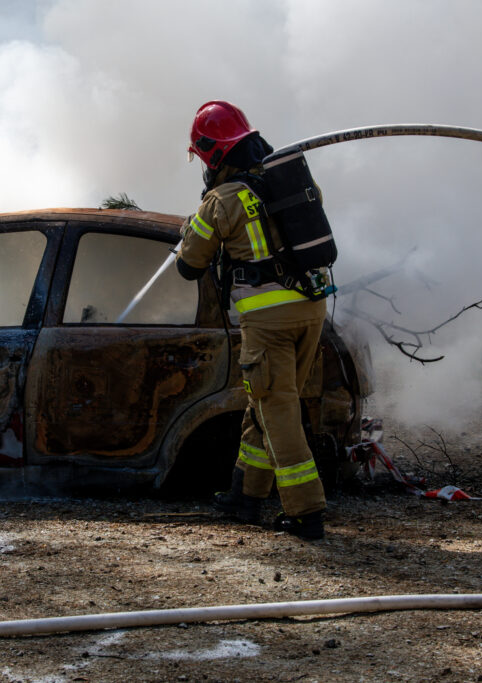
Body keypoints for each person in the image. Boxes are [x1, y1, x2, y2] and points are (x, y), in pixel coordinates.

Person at [175, 100, 331, 540]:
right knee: (265, 403)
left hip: (269, 322)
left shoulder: (222, 200)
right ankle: (246, 494)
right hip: (311, 311)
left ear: (214, 155)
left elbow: (189, 265)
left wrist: (194, 226)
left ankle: (305, 512)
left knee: (277, 410)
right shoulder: (290, 182)